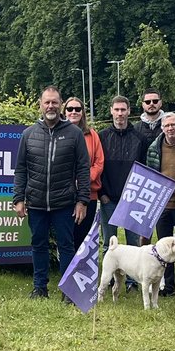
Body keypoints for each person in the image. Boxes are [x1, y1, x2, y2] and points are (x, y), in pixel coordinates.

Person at [13, 86, 90, 299]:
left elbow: (83, 169)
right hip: (36, 202)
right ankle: (40, 288)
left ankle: (68, 290)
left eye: (55, 102)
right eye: (47, 102)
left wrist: (82, 200)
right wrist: (19, 198)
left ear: (61, 104)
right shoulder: (28, 134)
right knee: (39, 245)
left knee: (67, 246)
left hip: (65, 202)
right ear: (40, 105)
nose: (51, 106)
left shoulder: (74, 134)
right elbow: (20, 169)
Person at [98, 95, 152, 290]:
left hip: (133, 200)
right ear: (111, 111)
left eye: (123, 110)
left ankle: (132, 282)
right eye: (117, 109)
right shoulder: (102, 136)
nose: (120, 113)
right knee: (108, 242)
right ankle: (108, 279)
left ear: (129, 111)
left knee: (133, 245)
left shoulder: (140, 138)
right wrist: (102, 194)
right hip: (108, 198)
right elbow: (99, 166)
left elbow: (146, 168)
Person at [145, 111, 175, 298]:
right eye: (166, 126)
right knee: (164, 250)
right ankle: (169, 287)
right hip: (162, 205)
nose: (170, 128)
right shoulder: (154, 147)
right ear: (162, 128)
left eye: (174, 125)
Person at [63, 96, 105, 251]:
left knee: (83, 237)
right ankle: (67, 272)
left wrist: (83, 180)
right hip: (64, 194)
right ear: (64, 112)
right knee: (67, 237)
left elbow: (99, 163)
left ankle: (81, 273)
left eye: (77, 109)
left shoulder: (92, 135)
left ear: (83, 113)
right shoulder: (58, 133)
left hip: (88, 194)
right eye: (70, 109)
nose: (74, 112)